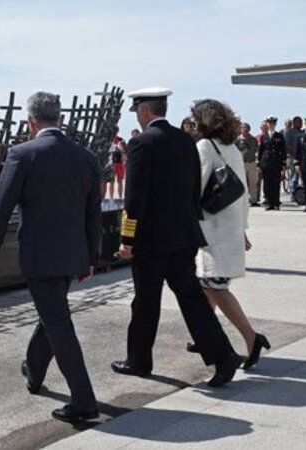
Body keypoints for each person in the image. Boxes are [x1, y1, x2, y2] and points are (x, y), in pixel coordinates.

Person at [0, 91, 100, 423]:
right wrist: (91, 257)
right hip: (73, 255)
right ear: (60, 118)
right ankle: (34, 369)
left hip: (40, 255)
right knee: (53, 313)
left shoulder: (22, 154)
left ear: (30, 122)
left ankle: (84, 401)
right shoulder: (85, 156)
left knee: (57, 321)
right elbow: (93, 213)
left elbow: (1, 206)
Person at [112, 87, 242, 387]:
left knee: (146, 302)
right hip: (183, 237)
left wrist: (127, 240)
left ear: (145, 111)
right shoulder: (186, 140)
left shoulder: (141, 143)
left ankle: (139, 360)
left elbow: (134, 199)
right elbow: (194, 189)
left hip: (151, 241)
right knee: (193, 300)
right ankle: (223, 355)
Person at [187, 99, 270, 370]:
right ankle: (204, 335)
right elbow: (243, 194)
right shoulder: (231, 148)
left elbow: (196, 188)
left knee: (215, 286)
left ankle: (251, 338)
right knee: (208, 284)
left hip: (213, 229)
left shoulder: (204, 147)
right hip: (230, 226)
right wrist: (242, 229)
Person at [257, 117, 286, 210]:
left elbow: (283, 150)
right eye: (269, 124)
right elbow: (261, 151)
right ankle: (269, 203)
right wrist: (259, 164)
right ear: (267, 125)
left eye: (273, 124)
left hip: (276, 162)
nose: (271, 125)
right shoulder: (264, 137)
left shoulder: (279, 136)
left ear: (275, 125)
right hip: (266, 163)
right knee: (267, 184)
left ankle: (276, 203)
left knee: (276, 183)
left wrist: (283, 164)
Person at [235, 123, 260, 206]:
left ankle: (253, 200)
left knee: (253, 182)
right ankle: (242, 200)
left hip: (252, 162)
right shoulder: (237, 140)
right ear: (241, 129)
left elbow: (256, 149)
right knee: (242, 182)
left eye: (247, 128)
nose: (246, 129)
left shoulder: (253, 139)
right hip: (242, 163)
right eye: (244, 128)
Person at [108, 130, 127, 200]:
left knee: (120, 181)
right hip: (111, 163)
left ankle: (120, 198)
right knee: (111, 182)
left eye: (115, 130)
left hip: (120, 163)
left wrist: (121, 149)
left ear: (117, 131)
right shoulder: (108, 140)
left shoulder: (121, 140)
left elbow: (125, 151)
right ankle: (111, 199)